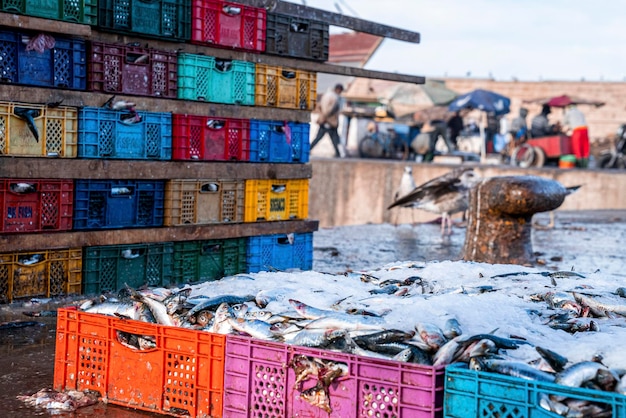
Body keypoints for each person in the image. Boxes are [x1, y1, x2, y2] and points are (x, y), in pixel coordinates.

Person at [310, 83, 345, 157]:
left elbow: (321, 107)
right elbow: (329, 110)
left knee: (321, 138)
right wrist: (326, 117)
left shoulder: (327, 95)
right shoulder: (334, 97)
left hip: (325, 121)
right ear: (338, 90)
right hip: (329, 121)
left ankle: (338, 153)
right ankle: (338, 153)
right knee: (334, 139)